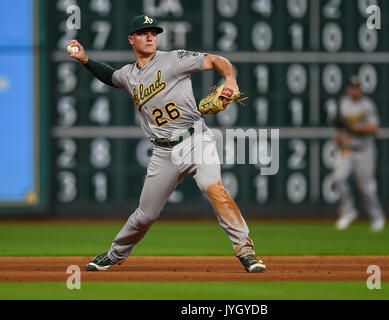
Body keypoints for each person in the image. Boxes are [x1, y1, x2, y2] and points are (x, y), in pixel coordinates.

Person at [67, 15, 265, 273]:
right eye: (143, 32)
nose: (150, 36)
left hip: (196, 140)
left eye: (153, 32)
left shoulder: (173, 59)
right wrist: (84, 60)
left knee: (213, 188)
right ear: (131, 39)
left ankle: (245, 251)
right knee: (145, 214)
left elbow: (218, 61)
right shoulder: (129, 75)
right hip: (163, 151)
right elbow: (111, 77)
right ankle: (114, 255)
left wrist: (230, 79)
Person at [332, 76, 386, 232]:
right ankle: (348, 211)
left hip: (365, 150)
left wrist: (354, 127)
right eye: (352, 87)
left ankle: (377, 217)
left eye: (357, 87)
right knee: (338, 178)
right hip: (348, 149)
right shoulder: (344, 102)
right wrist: (337, 135)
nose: (354, 90)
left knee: (367, 187)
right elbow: (340, 125)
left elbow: (375, 128)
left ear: (360, 89)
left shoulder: (367, 105)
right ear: (348, 89)